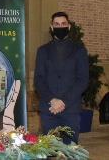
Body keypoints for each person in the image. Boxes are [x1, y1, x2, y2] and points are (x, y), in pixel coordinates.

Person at [34, 11, 88, 144]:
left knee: (70, 151)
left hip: (70, 110)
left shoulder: (79, 50)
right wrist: (52, 100)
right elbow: (38, 80)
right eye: (56, 24)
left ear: (69, 26)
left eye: (63, 24)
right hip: (49, 110)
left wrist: (63, 101)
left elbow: (83, 80)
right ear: (52, 27)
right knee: (49, 150)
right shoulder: (42, 51)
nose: (60, 27)